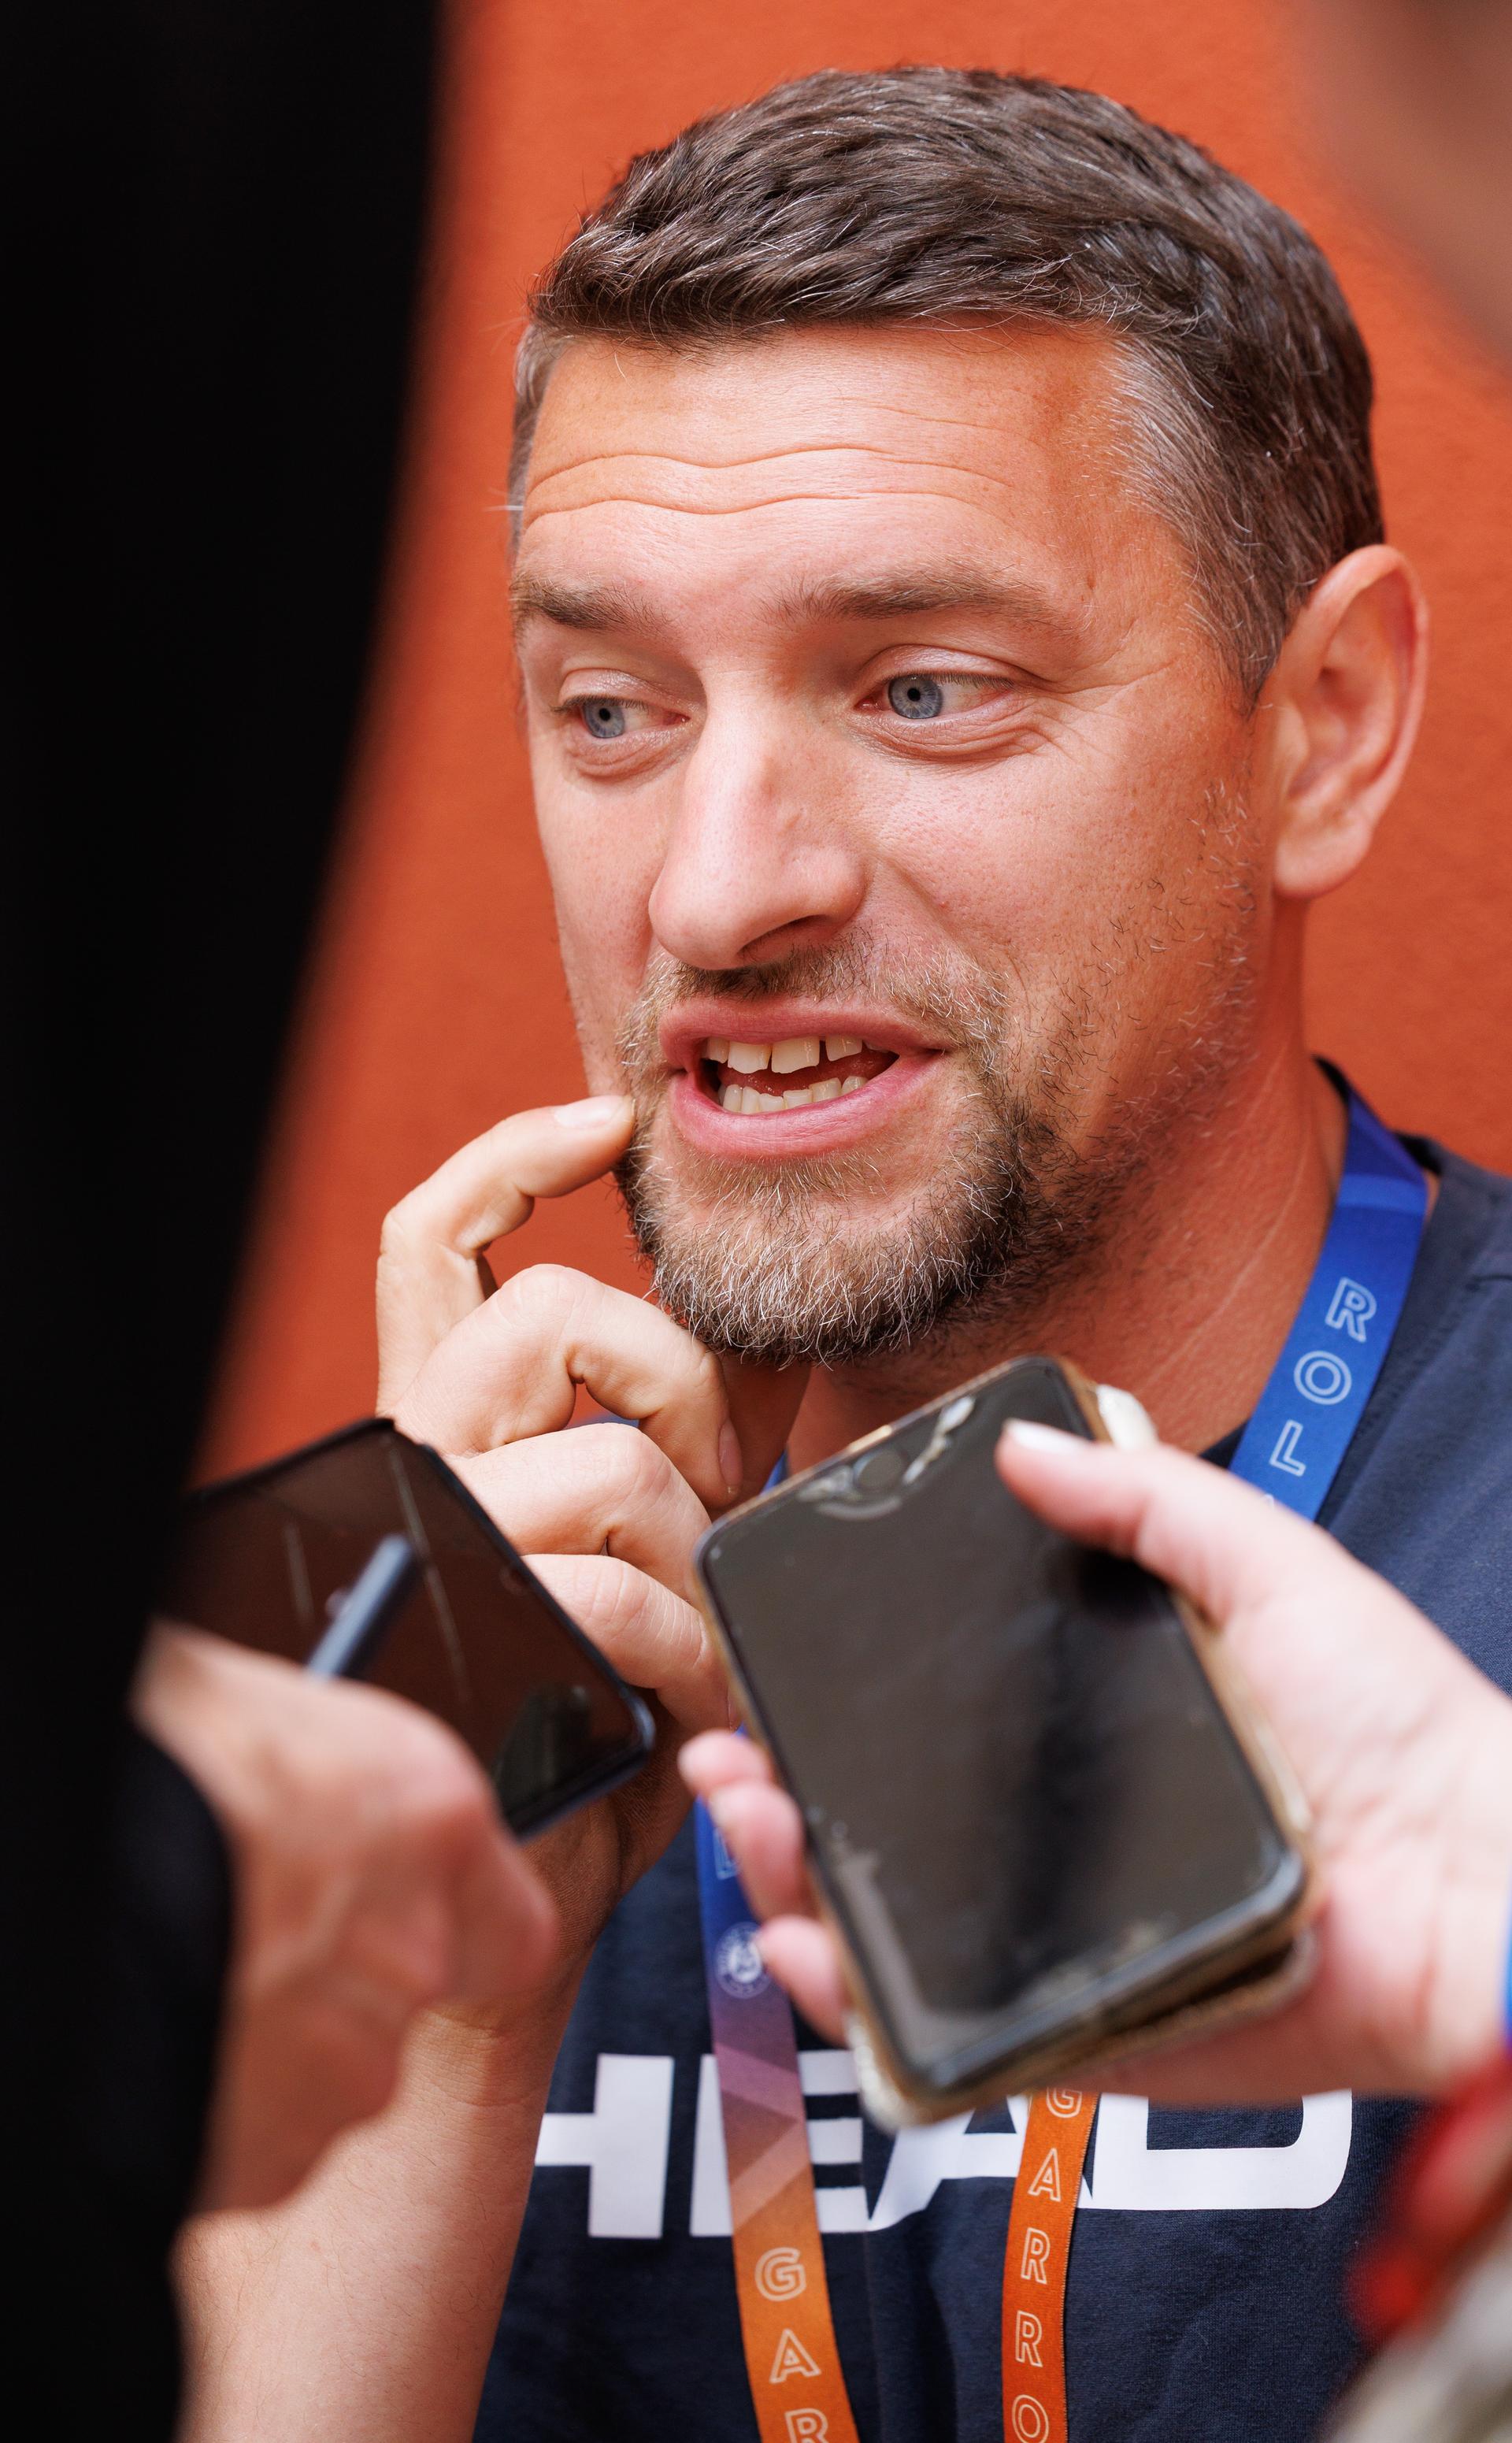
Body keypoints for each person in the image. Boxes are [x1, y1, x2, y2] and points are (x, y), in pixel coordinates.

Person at [176, 67, 1512, 2443]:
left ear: (1323, 726)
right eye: (614, 709)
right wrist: (440, 2018)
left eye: (918, 688)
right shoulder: (271, 1685)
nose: (716, 890)